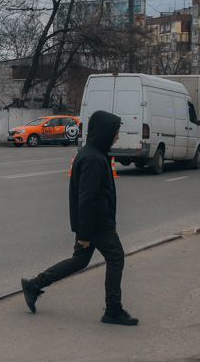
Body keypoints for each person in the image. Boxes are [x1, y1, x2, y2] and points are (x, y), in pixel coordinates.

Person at [20, 110, 137, 326]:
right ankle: (113, 309)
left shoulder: (94, 153)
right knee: (116, 257)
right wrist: (84, 233)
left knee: (80, 260)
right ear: (104, 132)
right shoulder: (92, 158)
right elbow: (86, 199)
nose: (117, 136)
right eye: (115, 132)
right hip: (98, 223)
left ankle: (34, 285)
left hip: (94, 222)